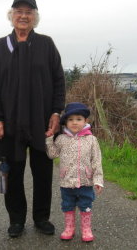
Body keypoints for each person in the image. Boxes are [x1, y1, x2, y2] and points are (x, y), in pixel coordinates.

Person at [0, 0, 66, 237]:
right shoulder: (1, 46)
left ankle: (41, 218)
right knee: (13, 173)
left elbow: (59, 81)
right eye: (19, 11)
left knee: (43, 173)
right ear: (11, 15)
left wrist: (56, 112)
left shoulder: (46, 44)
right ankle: (16, 220)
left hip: (42, 121)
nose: (23, 16)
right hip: (10, 123)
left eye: (29, 12)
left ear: (35, 17)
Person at [46, 102, 104, 242]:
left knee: (85, 206)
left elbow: (96, 161)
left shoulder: (91, 140)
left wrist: (98, 180)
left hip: (86, 182)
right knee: (67, 206)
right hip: (67, 182)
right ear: (65, 122)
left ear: (86, 121)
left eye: (79, 119)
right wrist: (48, 140)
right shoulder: (61, 139)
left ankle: (86, 229)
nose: (74, 123)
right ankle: (69, 229)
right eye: (70, 119)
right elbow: (52, 155)